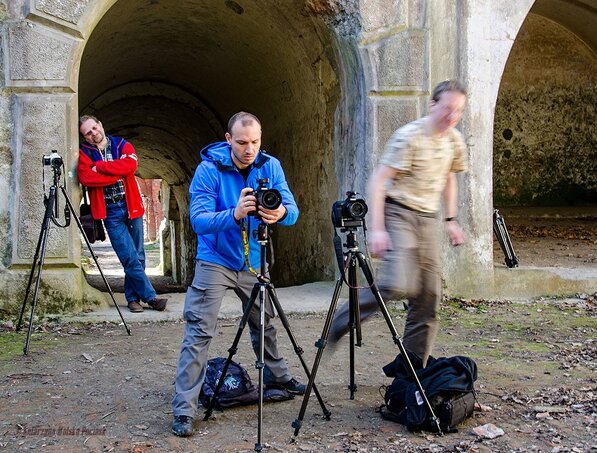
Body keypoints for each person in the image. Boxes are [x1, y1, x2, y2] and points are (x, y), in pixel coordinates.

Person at [171, 111, 305, 437]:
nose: (249, 149)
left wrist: (280, 212)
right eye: (242, 142)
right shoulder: (209, 170)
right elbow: (199, 220)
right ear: (228, 139)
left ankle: (276, 375)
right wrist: (234, 213)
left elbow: (293, 211)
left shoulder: (269, 166)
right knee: (199, 331)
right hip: (215, 260)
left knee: (265, 322)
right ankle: (184, 409)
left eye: (255, 142)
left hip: (255, 261)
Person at [328, 80, 469, 367]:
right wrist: (377, 229)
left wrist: (451, 220)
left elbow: (448, 178)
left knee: (430, 295)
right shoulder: (409, 137)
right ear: (432, 104)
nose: (451, 117)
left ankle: (412, 365)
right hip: (399, 212)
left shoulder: (454, 140)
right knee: (395, 283)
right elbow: (378, 182)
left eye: (458, 111)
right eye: (446, 109)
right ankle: (341, 321)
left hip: (428, 217)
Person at [78, 115, 167, 314]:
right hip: (110, 211)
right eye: (88, 133)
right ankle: (151, 297)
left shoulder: (121, 144)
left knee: (139, 255)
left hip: (131, 205)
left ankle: (133, 299)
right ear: (85, 137)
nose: (93, 133)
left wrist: (100, 167)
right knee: (128, 257)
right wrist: (118, 172)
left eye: (94, 128)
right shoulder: (84, 153)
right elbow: (86, 177)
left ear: (100, 124)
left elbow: (131, 166)